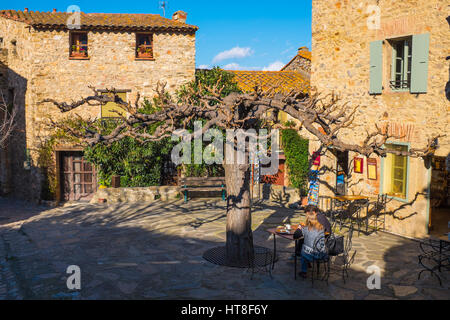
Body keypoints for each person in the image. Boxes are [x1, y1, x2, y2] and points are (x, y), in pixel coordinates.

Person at [294, 208, 329, 278]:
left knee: (303, 248)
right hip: (322, 254)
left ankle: (304, 271)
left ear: (308, 221)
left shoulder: (306, 229)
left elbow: (295, 236)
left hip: (312, 255)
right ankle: (308, 263)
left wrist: (299, 227)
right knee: (310, 245)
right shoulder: (322, 228)